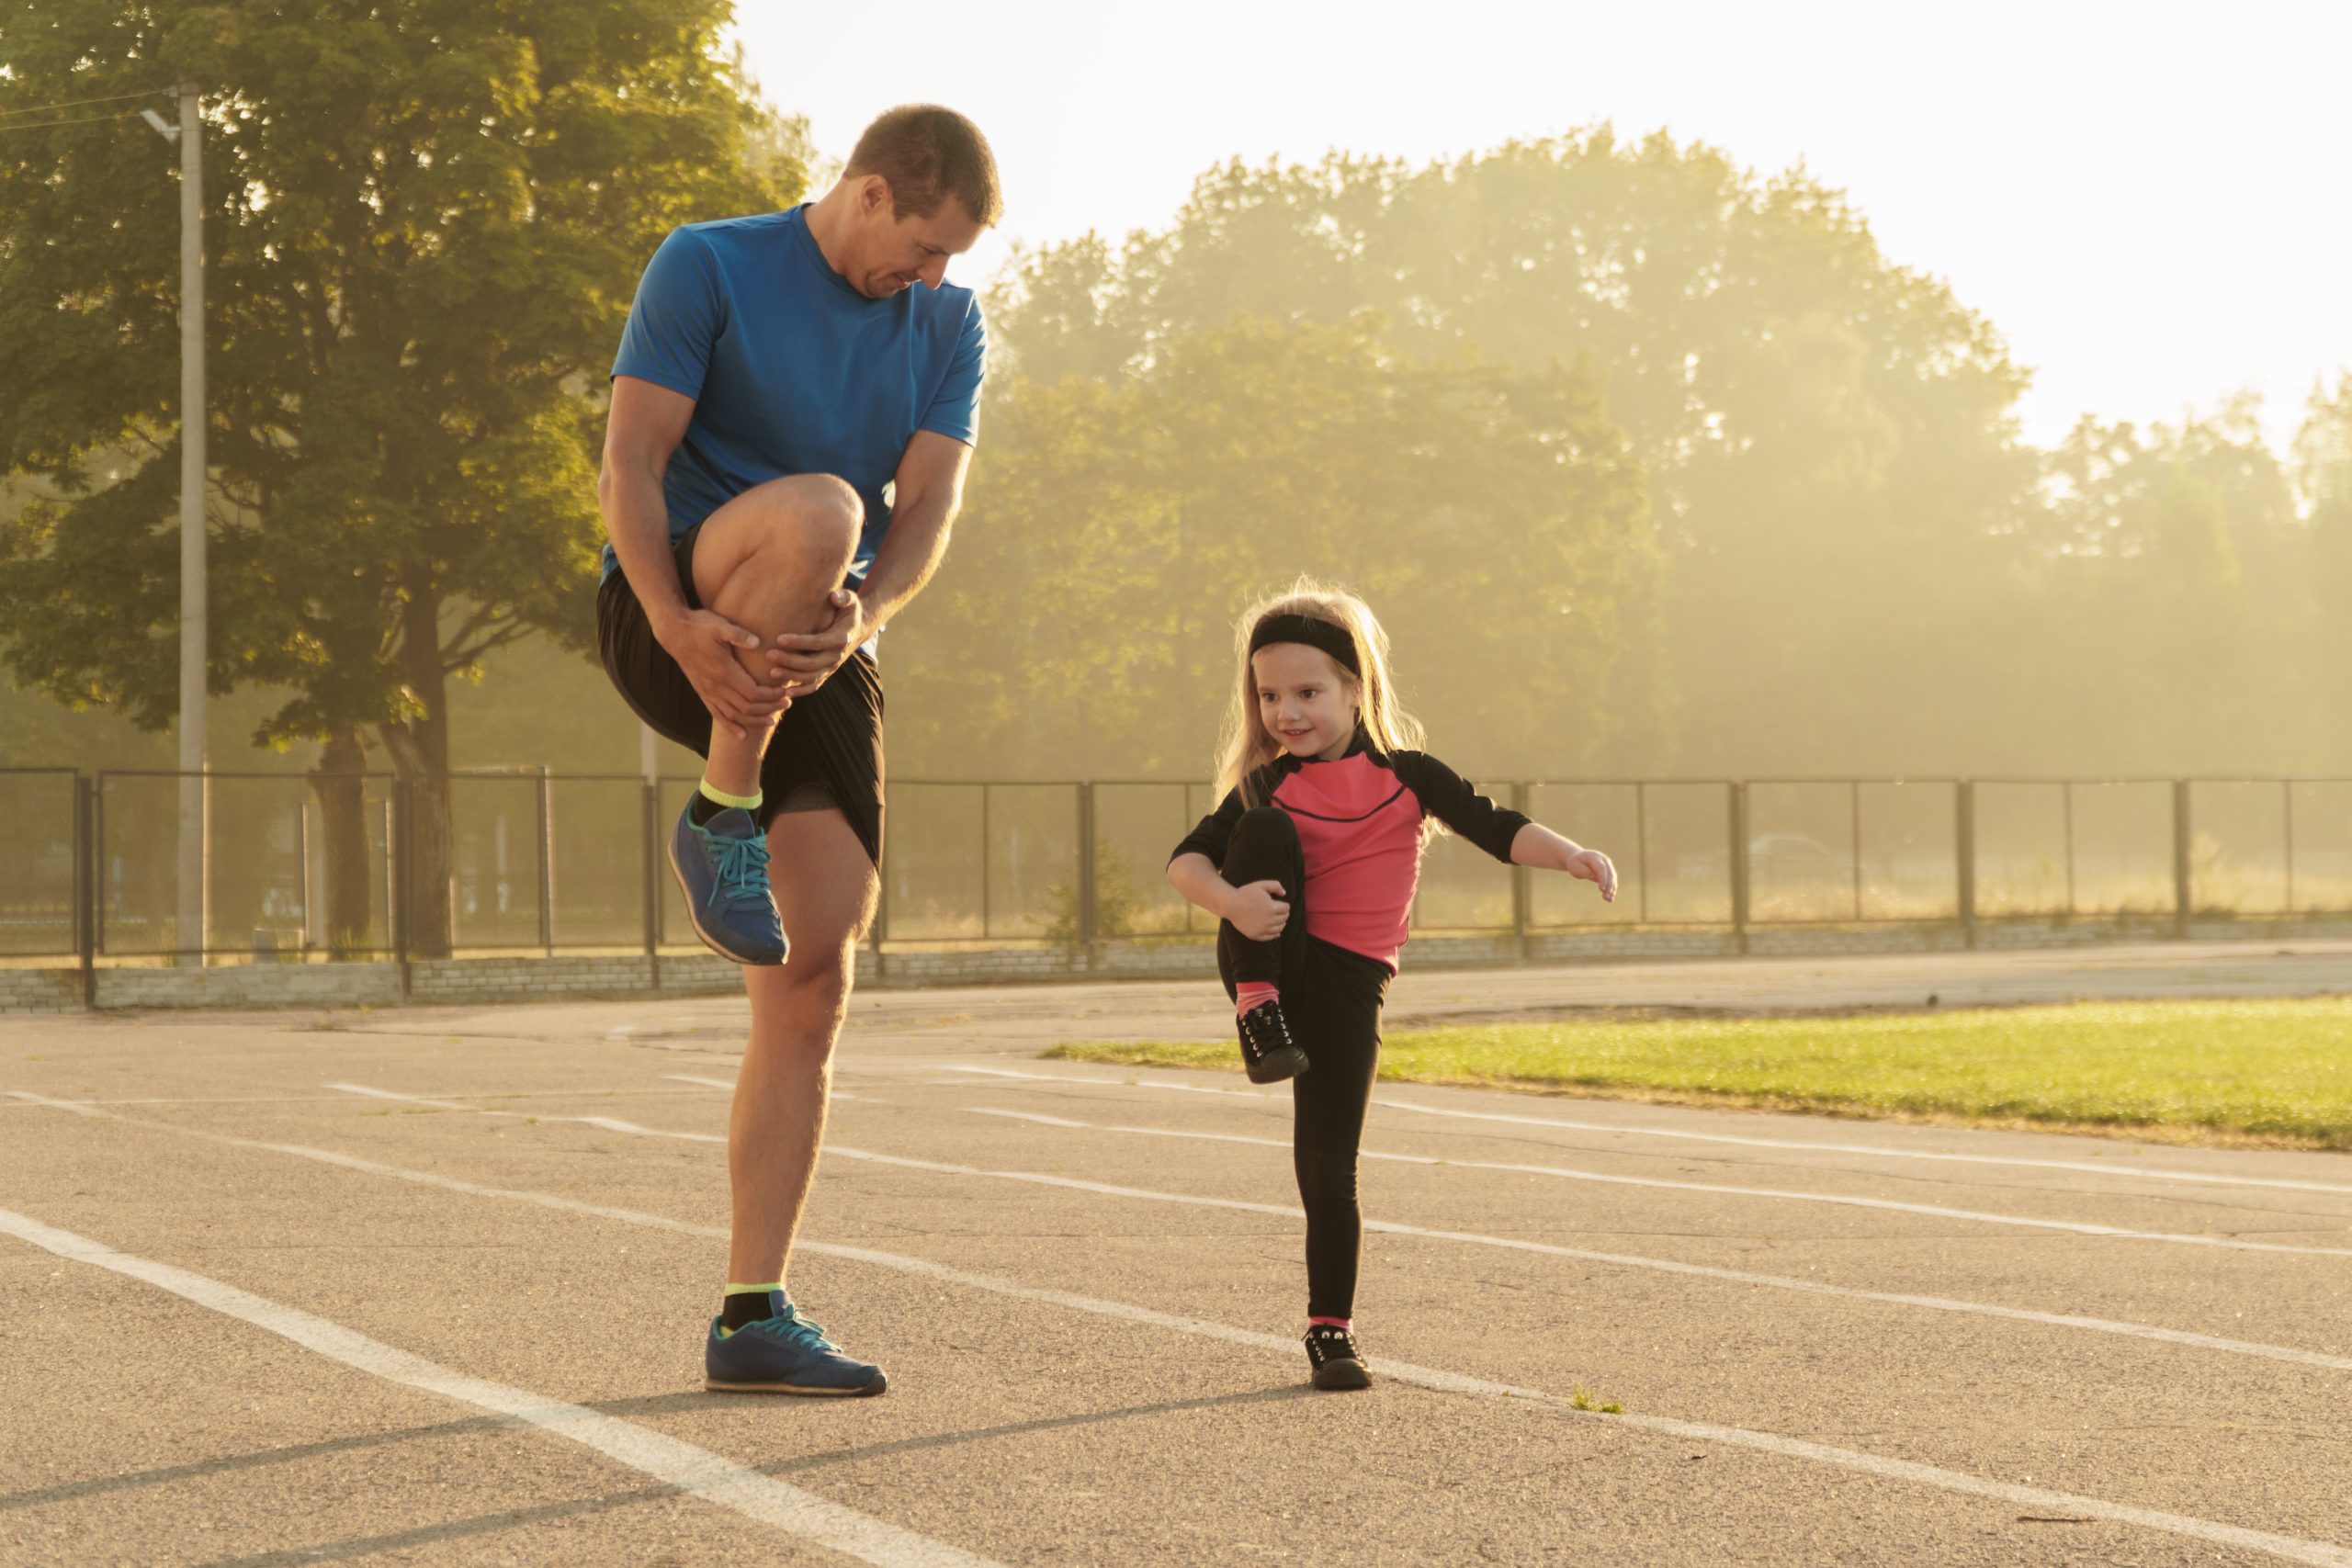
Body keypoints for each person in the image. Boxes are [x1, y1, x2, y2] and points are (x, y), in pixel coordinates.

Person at [594, 105, 1001, 1395]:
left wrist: (862, 622)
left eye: (951, 259)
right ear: (873, 192)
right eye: (923, 246)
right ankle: (722, 803)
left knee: (811, 970)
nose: (930, 277)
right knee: (828, 505)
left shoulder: (950, 323)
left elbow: (928, 503)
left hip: (822, 634)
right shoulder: (707, 261)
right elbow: (633, 458)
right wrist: (670, 617)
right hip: (681, 591)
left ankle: (751, 1309)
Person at [1166, 582, 1619, 1391]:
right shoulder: (1267, 787)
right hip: (1275, 960)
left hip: (1351, 986)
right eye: (1270, 696)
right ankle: (1258, 1016)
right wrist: (1232, 901)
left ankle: (1329, 1333)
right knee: (1260, 831)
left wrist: (1573, 854)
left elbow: (1495, 824)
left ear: (1355, 688)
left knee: (1328, 1164)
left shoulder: (1407, 776)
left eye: (1307, 693)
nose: (1286, 712)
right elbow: (1186, 863)